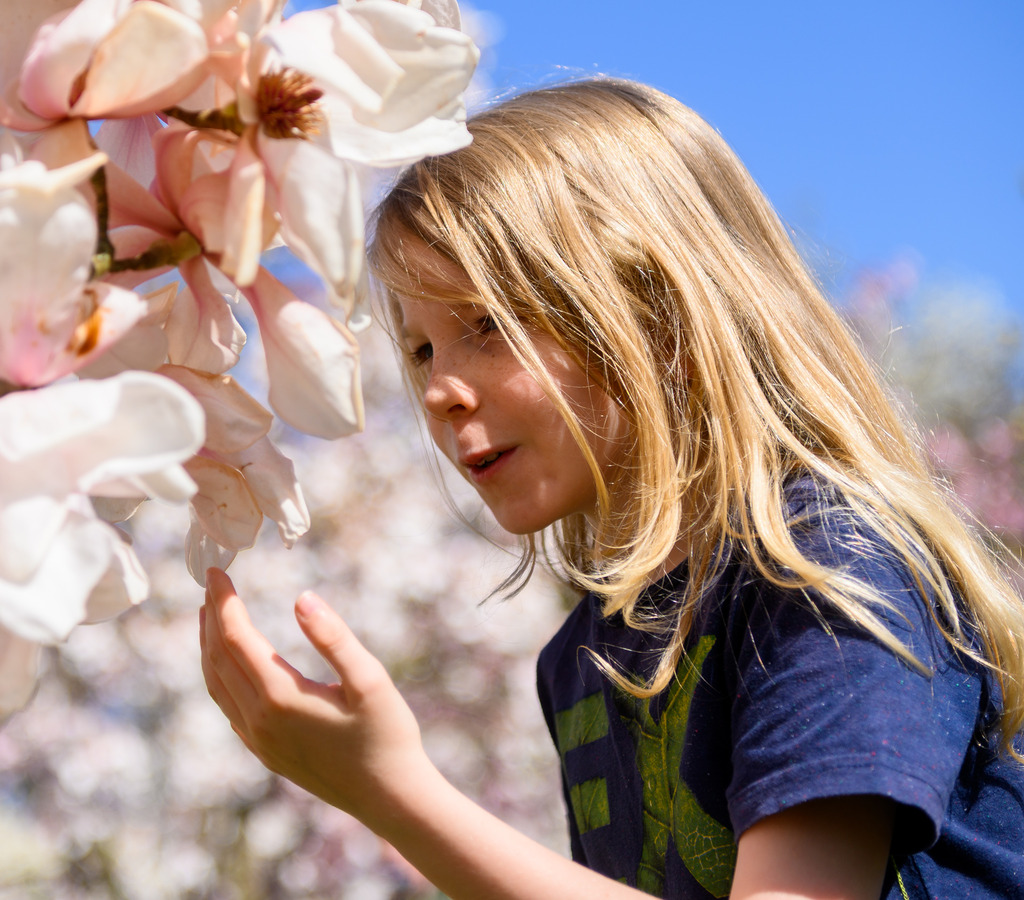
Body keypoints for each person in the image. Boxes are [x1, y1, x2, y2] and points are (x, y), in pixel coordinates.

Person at [197, 78, 1024, 899]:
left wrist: (396, 795)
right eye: (421, 351)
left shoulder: (822, 575)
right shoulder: (585, 657)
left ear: (655, 302)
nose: (441, 388)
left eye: (487, 323)